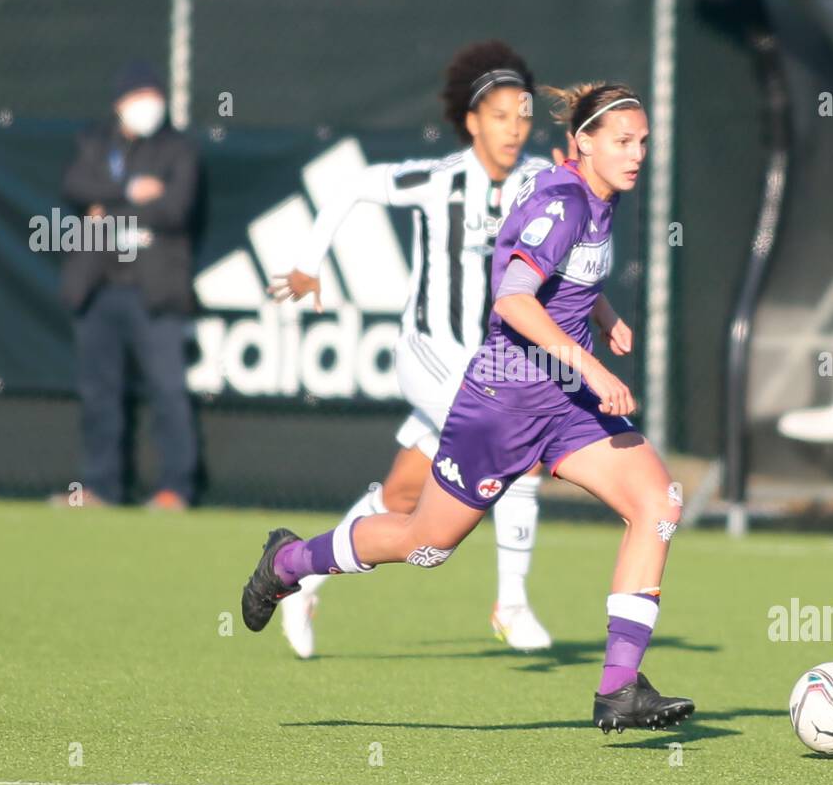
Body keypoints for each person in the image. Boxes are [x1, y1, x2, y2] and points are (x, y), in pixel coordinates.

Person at [242, 82, 694, 734]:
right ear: (583, 142)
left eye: (644, 141)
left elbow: (566, 277)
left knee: (657, 503)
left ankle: (619, 688)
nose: (637, 153)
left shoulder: (599, 196)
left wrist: (606, 313)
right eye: (623, 141)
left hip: (562, 404)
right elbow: (513, 300)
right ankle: (286, 563)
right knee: (426, 543)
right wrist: (594, 364)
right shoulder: (563, 203)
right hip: (503, 402)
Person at [266, 41, 554, 657]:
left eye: (523, 116)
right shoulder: (438, 180)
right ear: (472, 120)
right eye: (500, 115)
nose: (513, 128)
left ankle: (301, 575)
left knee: (402, 493)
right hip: (429, 354)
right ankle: (511, 605)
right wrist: (310, 264)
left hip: (489, 364)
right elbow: (351, 187)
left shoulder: (538, 182)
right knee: (520, 447)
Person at [57, 61, 200, 510]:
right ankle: (100, 488)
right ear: (120, 103)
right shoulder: (95, 142)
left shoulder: (178, 149)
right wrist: (131, 190)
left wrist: (110, 205)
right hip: (98, 290)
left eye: (154, 97)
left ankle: (175, 489)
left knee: (167, 392)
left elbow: (176, 209)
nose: (148, 106)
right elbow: (76, 185)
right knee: (100, 394)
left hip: (154, 294)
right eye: (139, 97)